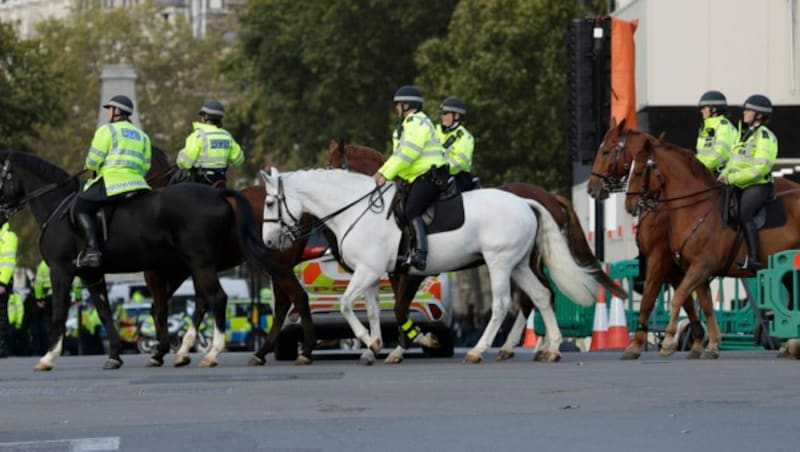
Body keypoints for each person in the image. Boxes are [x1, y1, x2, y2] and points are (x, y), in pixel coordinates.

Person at [372, 85, 448, 271]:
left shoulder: (417, 122)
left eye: (398, 104)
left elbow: (407, 153)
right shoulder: (408, 123)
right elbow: (400, 154)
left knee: (411, 209)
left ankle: (421, 254)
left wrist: (384, 173)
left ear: (407, 105)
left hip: (429, 175)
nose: (397, 108)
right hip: (415, 176)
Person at [74, 94, 152, 268]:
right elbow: (146, 166)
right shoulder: (142, 136)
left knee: (80, 207)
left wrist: (91, 166)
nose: (108, 112)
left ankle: (92, 252)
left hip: (112, 182)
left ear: (117, 111)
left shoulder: (107, 131)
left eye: (110, 108)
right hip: (139, 185)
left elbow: (93, 162)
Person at [718, 94, 778, 272]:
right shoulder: (743, 135)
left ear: (759, 115)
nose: (744, 112)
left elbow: (761, 167)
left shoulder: (765, 137)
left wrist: (733, 178)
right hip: (738, 183)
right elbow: (733, 161)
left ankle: (754, 258)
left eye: (748, 110)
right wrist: (723, 175)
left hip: (758, 184)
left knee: (744, 213)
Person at [176, 100, 244, 187]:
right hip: (220, 182)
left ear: (206, 116)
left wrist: (180, 157)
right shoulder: (227, 136)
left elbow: (185, 163)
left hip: (200, 183)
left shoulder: (198, 136)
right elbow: (239, 160)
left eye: (202, 115)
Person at [437, 96, 476, 192]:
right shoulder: (435, 131)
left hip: (458, 177)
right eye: (441, 114)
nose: (442, 116)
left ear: (456, 116)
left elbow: (461, 162)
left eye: (445, 114)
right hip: (436, 175)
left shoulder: (465, 137)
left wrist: (442, 170)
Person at [696, 90, 737, 175]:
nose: (701, 111)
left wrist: (699, 168)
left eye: (704, 107)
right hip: (707, 172)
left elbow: (720, 153)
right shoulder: (705, 127)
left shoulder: (724, 126)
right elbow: (701, 155)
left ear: (714, 109)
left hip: (721, 175)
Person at [0, 217, 17, 357]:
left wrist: (2, 282)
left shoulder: (8, 236)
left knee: (1, 316)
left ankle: (2, 348)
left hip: (1, 281)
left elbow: (8, 261)